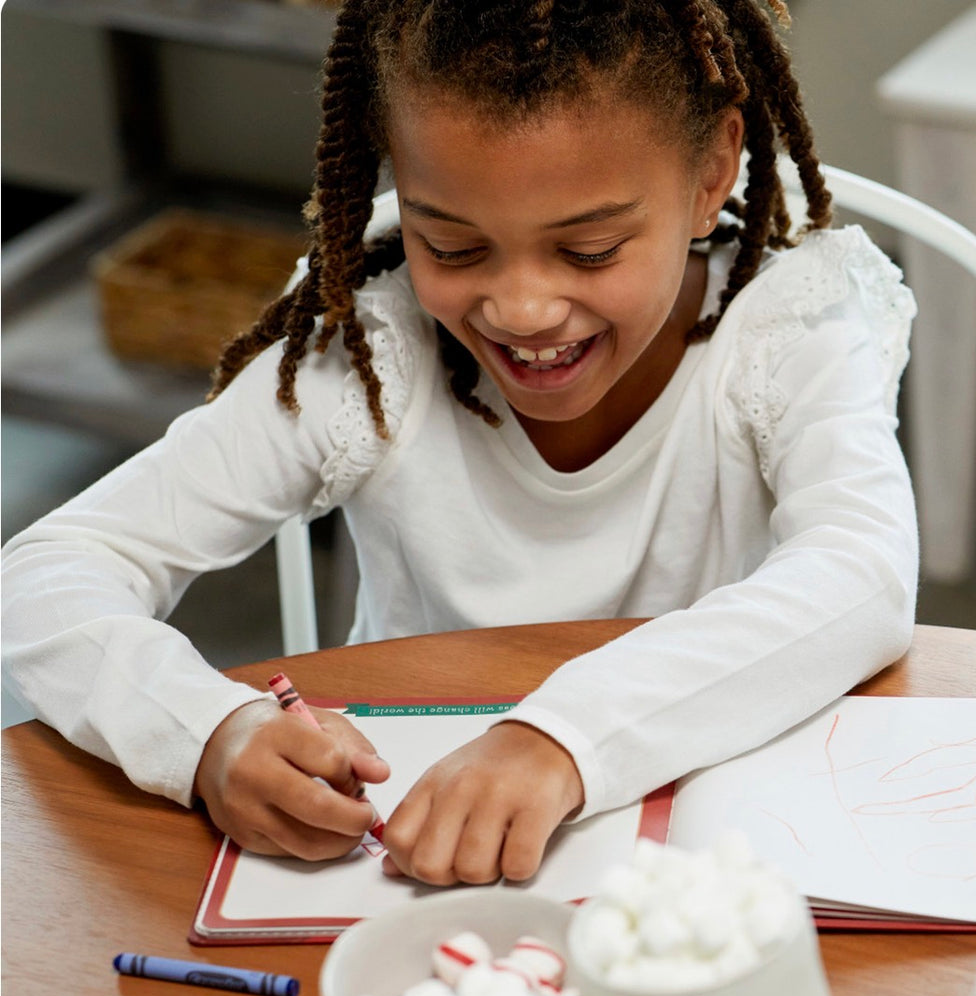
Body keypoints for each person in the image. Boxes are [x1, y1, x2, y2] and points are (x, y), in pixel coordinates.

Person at [2, 0, 922, 886]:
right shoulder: (371, 350)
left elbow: (862, 572)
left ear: (715, 169)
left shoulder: (790, 328)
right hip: (408, 865)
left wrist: (562, 737)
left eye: (591, 250)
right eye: (452, 246)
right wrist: (205, 731)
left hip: (708, 856)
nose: (522, 309)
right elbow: (49, 571)